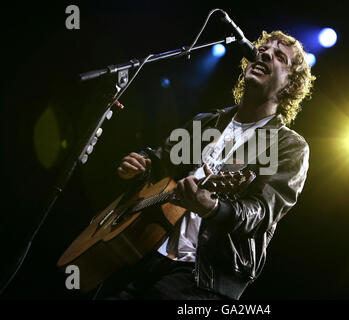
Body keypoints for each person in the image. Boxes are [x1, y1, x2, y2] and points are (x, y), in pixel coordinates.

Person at [97, 30, 315, 300]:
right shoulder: (207, 122)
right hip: (147, 251)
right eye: (263, 49)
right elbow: (162, 159)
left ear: (291, 86)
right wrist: (143, 164)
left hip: (203, 277)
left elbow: (260, 213)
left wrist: (212, 208)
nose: (265, 54)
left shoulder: (287, 146)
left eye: (279, 56)